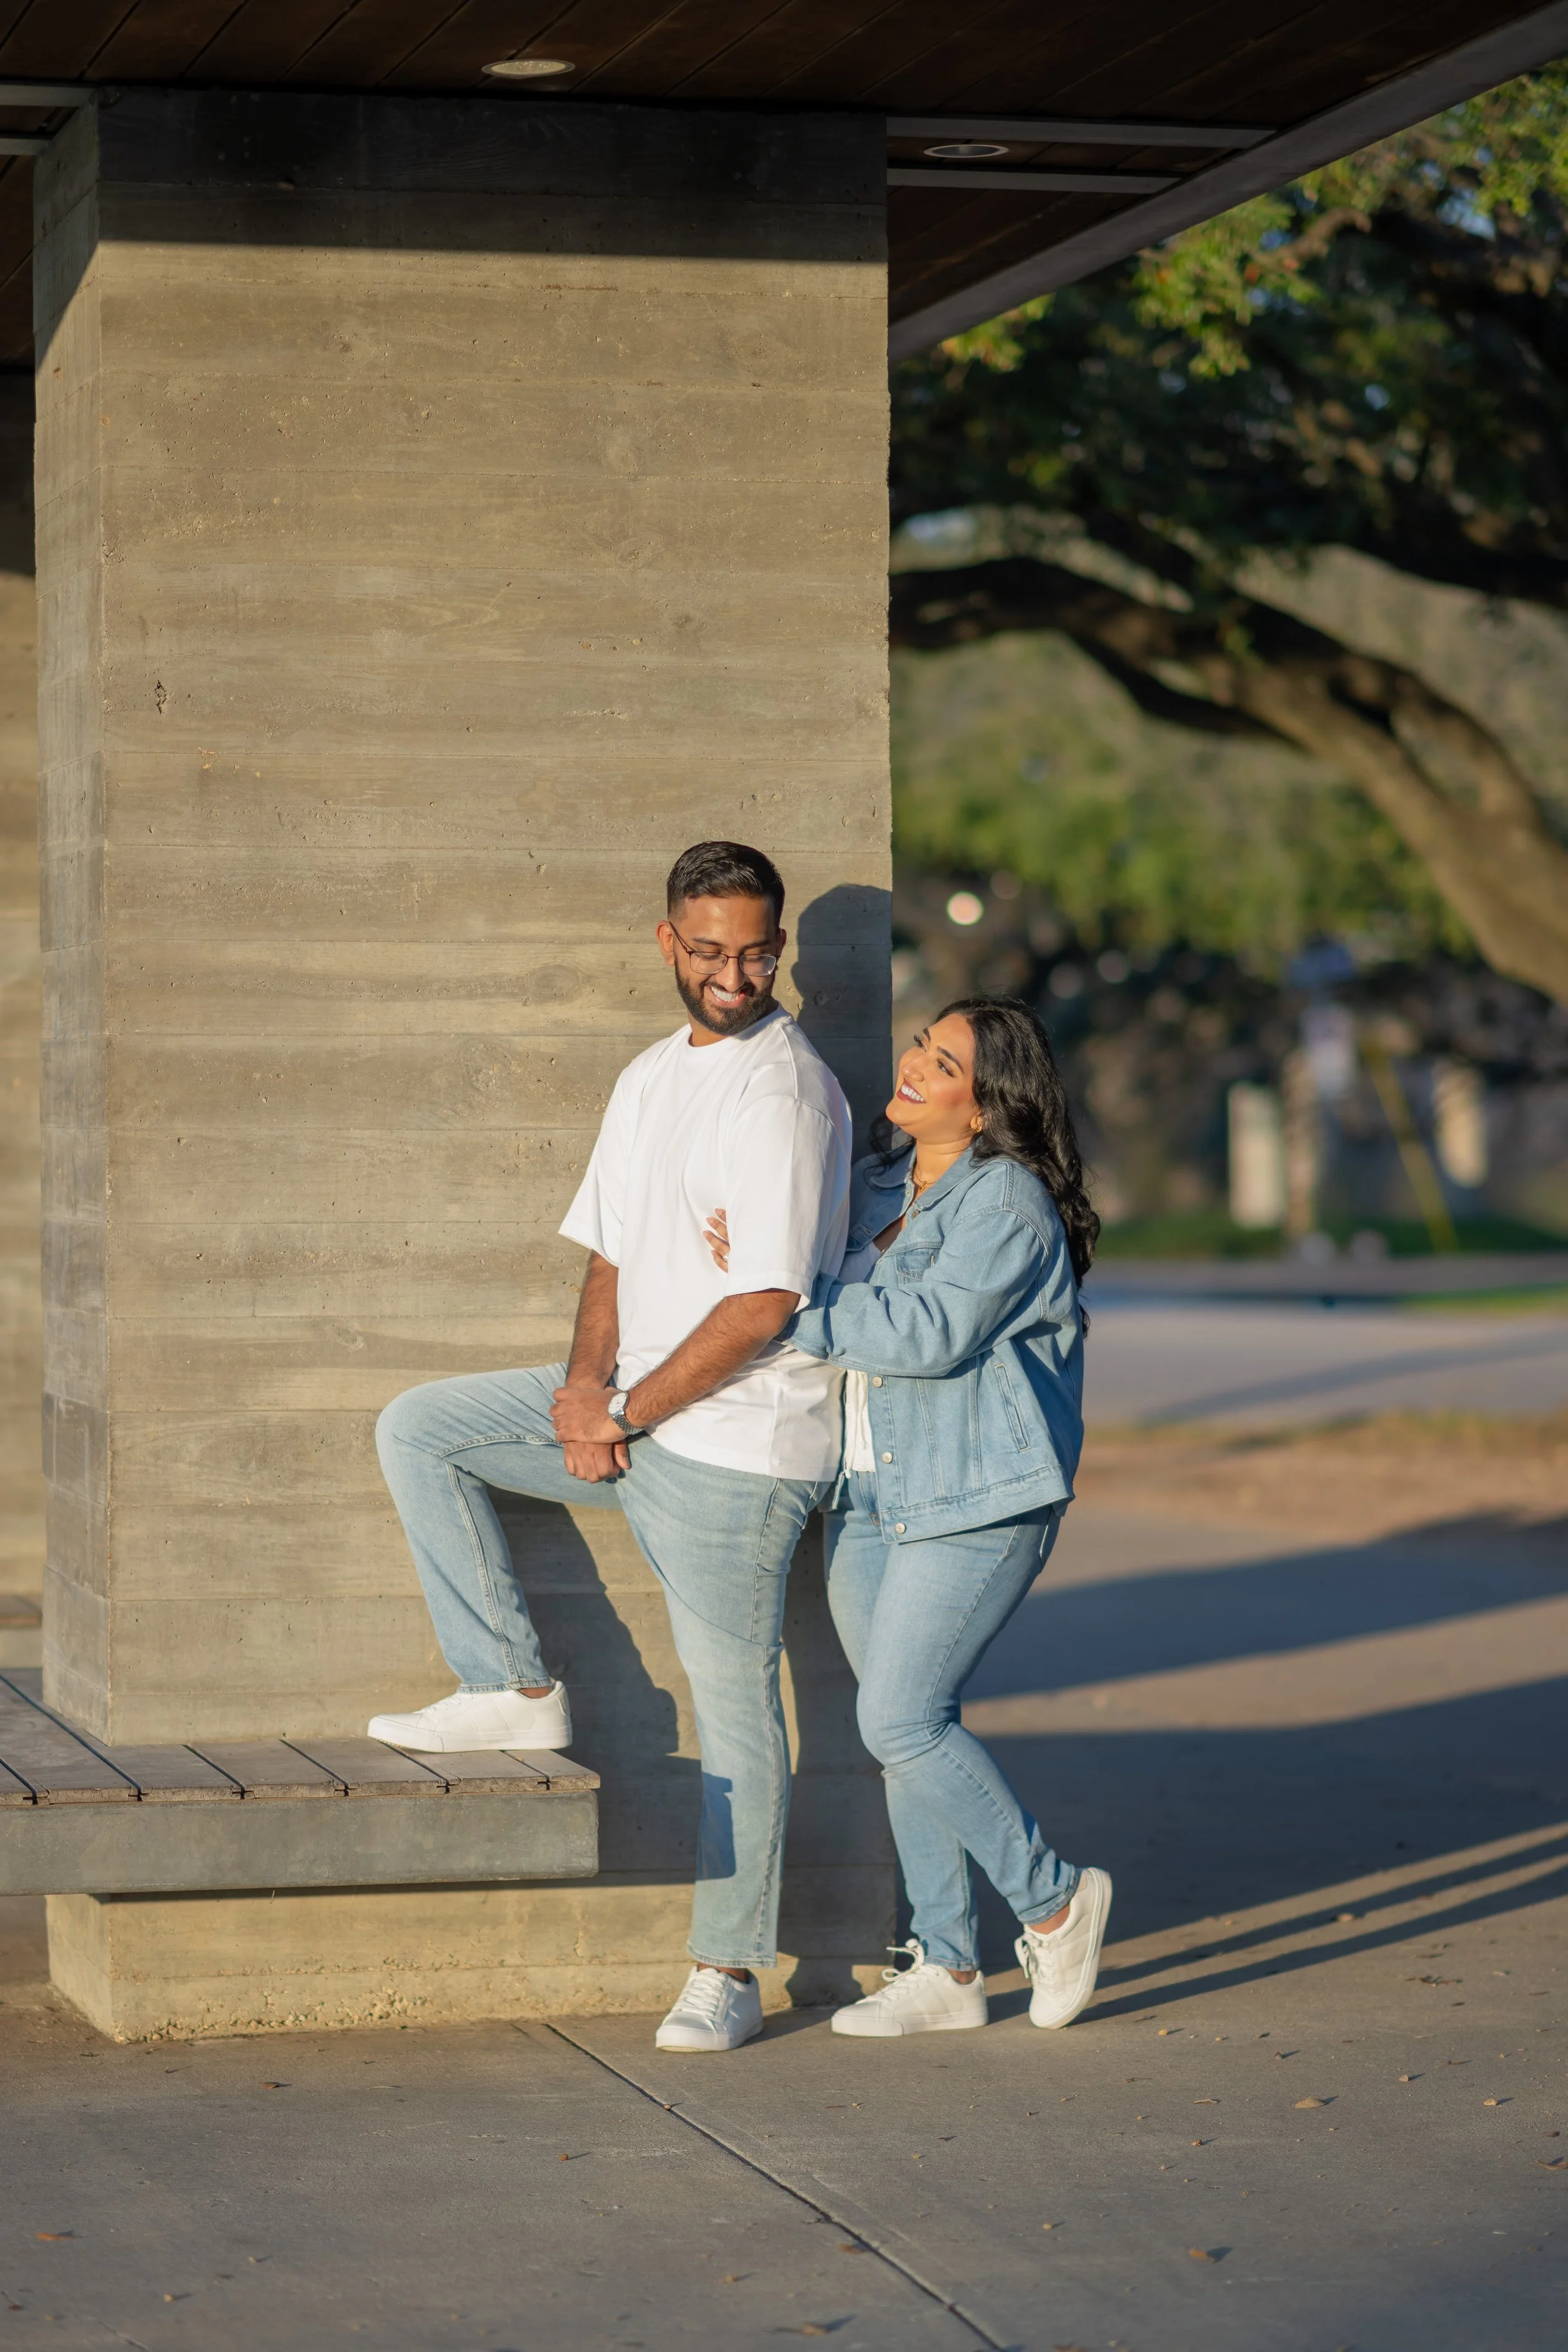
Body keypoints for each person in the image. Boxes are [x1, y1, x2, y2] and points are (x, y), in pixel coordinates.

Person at [367, 841, 852, 2054]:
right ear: (666, 942)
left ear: (779, 945)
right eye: (709, 951)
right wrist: (586, 1388)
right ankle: (514, 1689)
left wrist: (624, 1416)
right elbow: (613, 1256)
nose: (734, 975)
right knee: (424, 1427)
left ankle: (728, 1970)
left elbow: (764, 1306)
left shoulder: (783, 1094)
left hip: (740, 1444)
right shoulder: (649, 1078)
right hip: (636, 1405)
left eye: (755, 950)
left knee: (737, 1707)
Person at [705, 996, 1109, 2037]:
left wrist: (783, 1307)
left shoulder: (1006, 1200)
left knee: (900, 1718)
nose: (916, 1063)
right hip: (872, 1489)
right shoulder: (879, 1179)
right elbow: (790, 1259)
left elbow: (928, 1329)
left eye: (946, 1061)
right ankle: (947, 1968)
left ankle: (1056, 1899)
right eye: (922, 1044)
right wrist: (754, 1261)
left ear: (985, 1107)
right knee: (908, 1733)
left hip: (979, 1495)